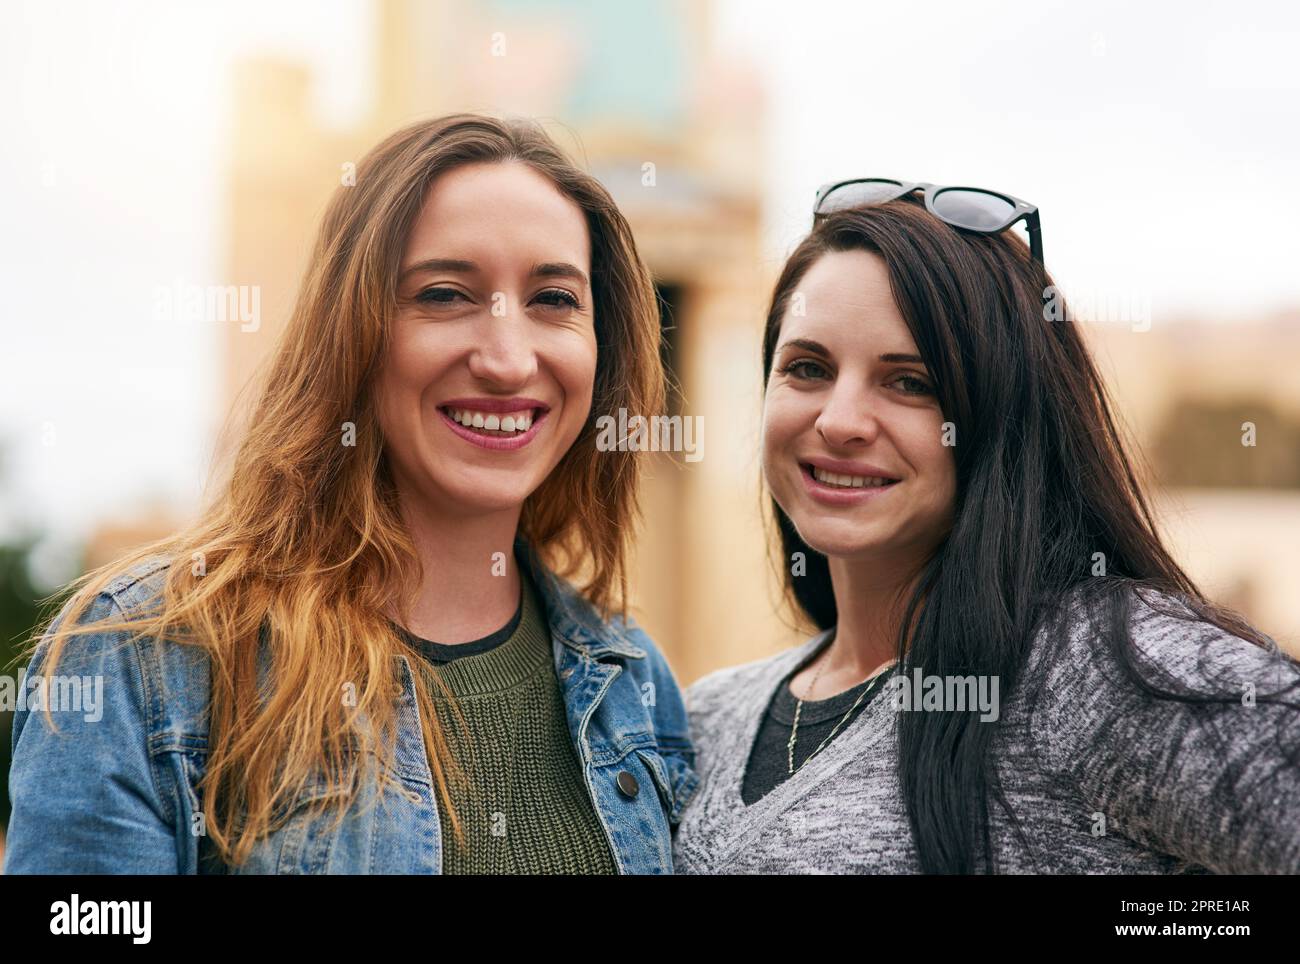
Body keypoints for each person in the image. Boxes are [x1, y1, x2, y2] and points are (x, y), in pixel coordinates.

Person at [5, 113, 697, 875]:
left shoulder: (637, 684)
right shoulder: (141, 656)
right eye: (443, 294)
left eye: (554, 299)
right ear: (353, 331)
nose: (506, 358)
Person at [673, 179, 1300, 874]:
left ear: (1005, 417)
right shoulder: (710, 715)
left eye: (910, 382)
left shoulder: (1093, 669)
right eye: (808, 368)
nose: (840, 420)